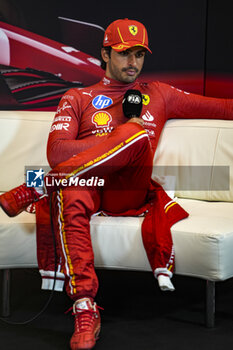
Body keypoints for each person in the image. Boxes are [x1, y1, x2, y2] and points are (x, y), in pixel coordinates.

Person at [1, 18, 233, 350]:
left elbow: (222, 107)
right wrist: (112, 140)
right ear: (105, 54)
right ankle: (84, 306)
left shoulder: (159, 94)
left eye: (139, 55)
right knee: (75, 190)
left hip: (131, 189)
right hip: (90, 184)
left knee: (137, 133)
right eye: (125, 54)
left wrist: (123, 137)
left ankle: (39, 187)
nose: (133, 63)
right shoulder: (77, 97)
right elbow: (57, 152)